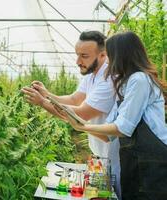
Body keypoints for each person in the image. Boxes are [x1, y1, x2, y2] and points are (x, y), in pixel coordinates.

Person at [63, 31, 167, 200]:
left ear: (121, 55)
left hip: (152, 159)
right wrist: (79, 123)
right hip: (135, 157)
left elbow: (123, 128)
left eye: (109, 56)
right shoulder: (124, 84)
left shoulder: (139, 80)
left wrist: (82, 126)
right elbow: (108, 134)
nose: (108, 61)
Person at [21, 31, 121, 198]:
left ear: (103, 54)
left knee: (114, 194)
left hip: (116, 157)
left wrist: (42, 102)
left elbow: (79, 114)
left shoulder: (108, 79)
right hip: (102, 154)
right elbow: (74, 99)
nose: (78, 61)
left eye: (84, 56)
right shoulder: (92, 74)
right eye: (77, 55)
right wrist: (47, 94)